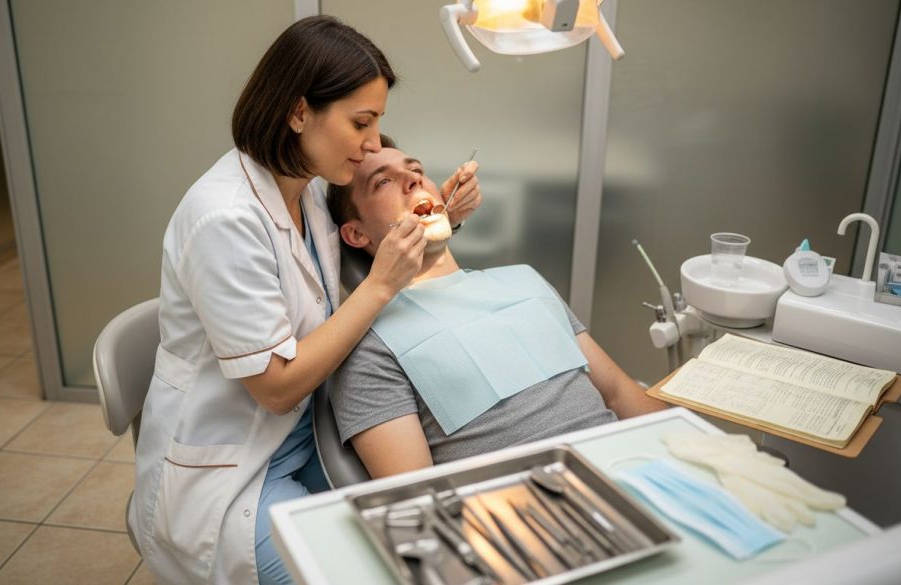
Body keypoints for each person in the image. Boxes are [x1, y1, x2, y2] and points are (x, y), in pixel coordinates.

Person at [131, 17, 482, 585]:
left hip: (308, 441)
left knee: (434, 549)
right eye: (360, 123)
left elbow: (369, 242)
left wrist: (443, 218)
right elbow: (275, 388)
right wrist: (381, 284)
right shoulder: (224, 218)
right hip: (237, 478)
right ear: (298, 113)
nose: (373, 145)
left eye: (378, 122)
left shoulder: (309, 193)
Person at [326, 140, 667, 479]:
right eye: (383, 181)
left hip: (636, 469)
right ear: (356, 234)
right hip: (541, 513)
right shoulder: (370, 348)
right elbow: (415, 493)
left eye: (416, 170)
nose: (413, 180)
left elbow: (621, 395)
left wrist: (692, 445)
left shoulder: (525, 282)